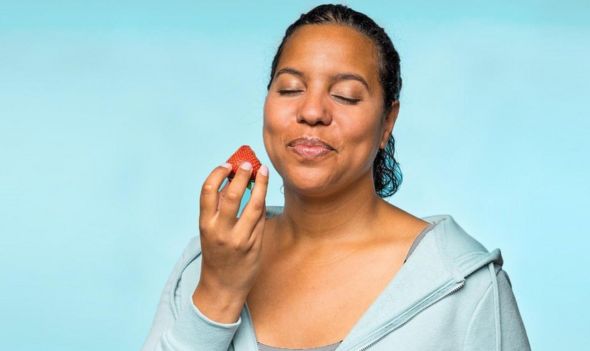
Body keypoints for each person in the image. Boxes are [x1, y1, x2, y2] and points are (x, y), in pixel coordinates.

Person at [141, 4, 531, 351]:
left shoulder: (464, 285)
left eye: (345, 95)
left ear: (387, 122)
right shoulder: (206, 260)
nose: (312, 111)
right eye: (290, 88)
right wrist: (217, 291)